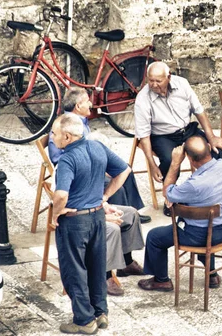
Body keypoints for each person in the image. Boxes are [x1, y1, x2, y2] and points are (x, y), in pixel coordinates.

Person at [51, 113, 131, 334]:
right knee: (97, 267)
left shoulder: (67, 158)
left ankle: (84, 320)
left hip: (75, 222)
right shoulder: (97, 147)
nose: (53, 137)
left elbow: (60, 195)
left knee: (74, 271)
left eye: (55, 133)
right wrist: (104, 197)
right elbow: (124, 170)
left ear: (67, 136)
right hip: (96, 217)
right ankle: (100, 313)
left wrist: (55, 214)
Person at [138, 136, 222, 291]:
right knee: (207, 223)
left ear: (189, 159)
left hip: (199, 235)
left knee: (154, 237)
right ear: (209, 148)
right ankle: (212, 275)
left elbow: (167, 192)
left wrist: (175, 162)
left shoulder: (194, 185)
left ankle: (161, 280)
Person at [134, 62, 222, 216]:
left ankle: (213, 193)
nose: (154, 84)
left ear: (168, 77)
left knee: (217, 151)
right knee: (169, 161)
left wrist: (211, 137)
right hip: (162, 135)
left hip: (187, 130)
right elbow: (143, 135)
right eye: (150, 80)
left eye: (158, 80)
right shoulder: (143, 98)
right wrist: (151, 165)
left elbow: (199, 111)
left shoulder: (182, 84)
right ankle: (171, 201)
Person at [48, 88, 151, 223]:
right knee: (117, 186)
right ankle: (122, 218)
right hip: (76, 172)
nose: (91, 104)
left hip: (86, 164)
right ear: (78, 106)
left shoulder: (80, 120)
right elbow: (61, 160)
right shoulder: (69, 124)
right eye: (87, 101)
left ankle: (131, 212)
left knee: (125, 169)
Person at [86, 132, 146, 297]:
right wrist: (103, 216)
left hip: (95, 209)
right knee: (113, 227)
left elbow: (124, 170)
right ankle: (105, 276)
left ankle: (126, 263)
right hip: (81, 218)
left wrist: (105, 202)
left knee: (131, 214)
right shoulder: (80, 168)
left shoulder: (96, 166)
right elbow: (75, 208)